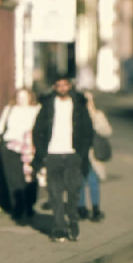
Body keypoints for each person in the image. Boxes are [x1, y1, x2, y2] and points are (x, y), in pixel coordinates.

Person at [31, 74, 93, 242]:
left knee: (73, 192)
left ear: (70, 86)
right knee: (55, 193)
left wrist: (81, 153)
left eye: (65, 85)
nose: (62, 88)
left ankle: (73, 222)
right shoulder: (48, 105)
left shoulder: (79, 104)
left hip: (73, 155)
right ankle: (59, 228)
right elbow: (37, 131)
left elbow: (88, 130)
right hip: (52, 155)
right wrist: (42, 152)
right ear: (54, 87)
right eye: (59, 85)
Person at [0, 87, 40, 224]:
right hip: (10, 146)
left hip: (29, 148)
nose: (22, 100)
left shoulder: (36, 110)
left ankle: (29, 205)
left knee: (29, 177)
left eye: (25, 97)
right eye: (19, 97)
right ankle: (17, 207)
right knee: (13, 178)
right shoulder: (10, 109)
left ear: (30, 97)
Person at [77, 90, 113, 222]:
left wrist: (95, 117)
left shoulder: (98, 115)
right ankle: (81, 208)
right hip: (79, 153)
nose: (87, 102)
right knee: (79, 181)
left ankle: (95, 209)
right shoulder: (76, 114)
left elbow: (107, 131)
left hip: (93, 154)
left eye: (89, 99)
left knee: (93, 180)